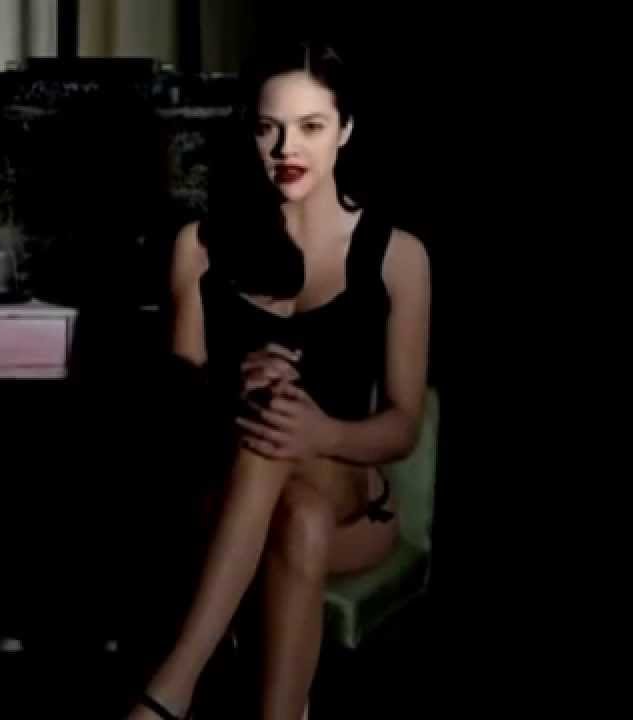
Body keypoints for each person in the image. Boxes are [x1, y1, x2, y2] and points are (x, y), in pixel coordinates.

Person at [128, 41, 432, 720]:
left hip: (355, 498)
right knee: (296, 505)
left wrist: (320, 432)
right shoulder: (199, 246)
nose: (286, 148)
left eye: (310, 126)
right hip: (228, 495)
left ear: (345, 130)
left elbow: (404, 425)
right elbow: (178, 398)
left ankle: (168, 691)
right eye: (269, 127)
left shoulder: (398, 256)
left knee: (284, 437)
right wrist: (232, 389)